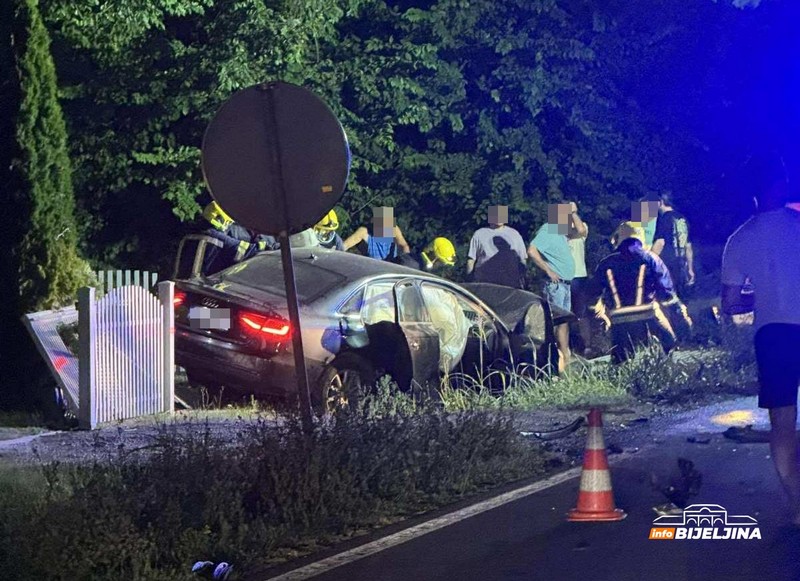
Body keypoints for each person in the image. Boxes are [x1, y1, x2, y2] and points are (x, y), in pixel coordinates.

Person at [721, 152, 800, 525]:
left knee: (782, 422)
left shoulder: (739, 240)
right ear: (785, 185)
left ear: (751, 195)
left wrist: (764, 290)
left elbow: (732, 303)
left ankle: (799, 506)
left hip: (773, 334)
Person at [592, 224, 677, 364]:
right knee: (670, 343)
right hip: (648, 313)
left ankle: (620, 380)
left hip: (619, 317)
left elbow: (593, 292)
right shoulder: (651, 258)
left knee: (621, 359)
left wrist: (601, 314)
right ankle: (664, 373)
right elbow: (666, 291)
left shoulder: (606, 263)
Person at [528, 202, 576, 367]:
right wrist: (548, 270)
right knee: (555, 323)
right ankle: (555, 360)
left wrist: (574, 213)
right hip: (555, 285)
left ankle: (565, 357)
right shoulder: (548, 229)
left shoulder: (560, 231)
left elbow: (580, 231)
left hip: (565, 284)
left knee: (563, 322)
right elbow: (532, 250)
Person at [200, 201, 278, 275]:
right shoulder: (214, 235)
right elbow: (242, 248)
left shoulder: (199, 229)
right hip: (215, 278)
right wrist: (269, 247)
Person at [466, 205, 528, 288]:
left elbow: (522, 259)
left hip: (510, 285)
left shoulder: (515, 234)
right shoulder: (479, 234)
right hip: (485, 284)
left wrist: (524, 280)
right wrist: (469, 282)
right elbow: (471, 260)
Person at [566, 201, 593, 357]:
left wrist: (573, 213)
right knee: (563, 314)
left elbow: (581, 230)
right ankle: (567, 346)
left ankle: (587, 346)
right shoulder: (558, 228)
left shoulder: (583, 226)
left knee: (581, 313)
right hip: (562, 277)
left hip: (578, 276)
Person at [342, 206, 412, 261]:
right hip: (373, 269)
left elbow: (404, 246)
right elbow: (346, 244)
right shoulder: (364, 231)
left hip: (391, 267)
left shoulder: (393, 229)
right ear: (374, 222)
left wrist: (406, 261)